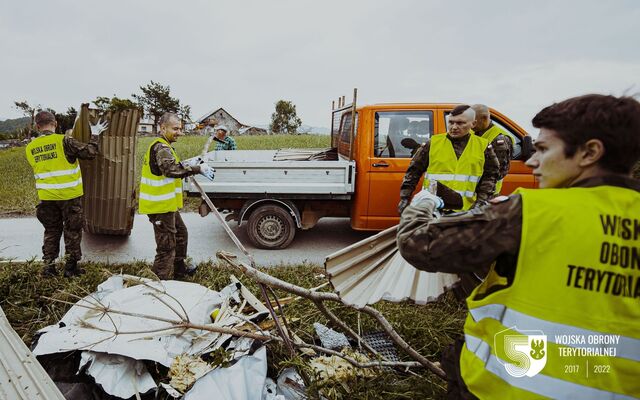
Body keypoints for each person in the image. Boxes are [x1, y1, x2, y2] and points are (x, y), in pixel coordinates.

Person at [397, 94, 640, 399]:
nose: (532, 161)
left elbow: (418, 244)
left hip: (510, 387)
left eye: (543, 149)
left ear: (589, 152)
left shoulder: (531, 211)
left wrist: (424, 203)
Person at [25, 110, 107, 277]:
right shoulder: (63, 140)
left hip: (47, 198)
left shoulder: (30, 147)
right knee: (72, 231)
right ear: (55, 123)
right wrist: (96, 134)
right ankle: (70, 269)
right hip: (69, 196)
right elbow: (89, 153)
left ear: (37, 126)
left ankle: (49, 268)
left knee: (51, 231)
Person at [138, 112, 215, 280]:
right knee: (166, 247)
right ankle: (159, 285)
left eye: (180, 128)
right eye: (175, 129)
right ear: (162, 128)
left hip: (167, 205)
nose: (179, 132)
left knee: (181, 234)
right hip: (160, 207)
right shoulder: (161, 147)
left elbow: (172, 166)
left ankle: (179, 271)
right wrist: (197, 169)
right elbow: (170, 170)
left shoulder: (165, 146)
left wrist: (190, 164)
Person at [397, 105, 499, 214]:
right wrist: (405, 197)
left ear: (473, 124)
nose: (454, 127)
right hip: (433, 209)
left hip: (466, 211)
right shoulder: (433, 143)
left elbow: (490, 176)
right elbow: (413, 171)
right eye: (451, 122)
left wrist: (481, 202)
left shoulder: (482, 146)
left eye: (460, 123)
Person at [470, 104, 513, 194]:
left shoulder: (499, 139)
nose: (471, 125)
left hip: (488, 193)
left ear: (484, 119)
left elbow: (499, 172)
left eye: (474, 121)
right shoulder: (473, 132)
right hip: (471, 191)